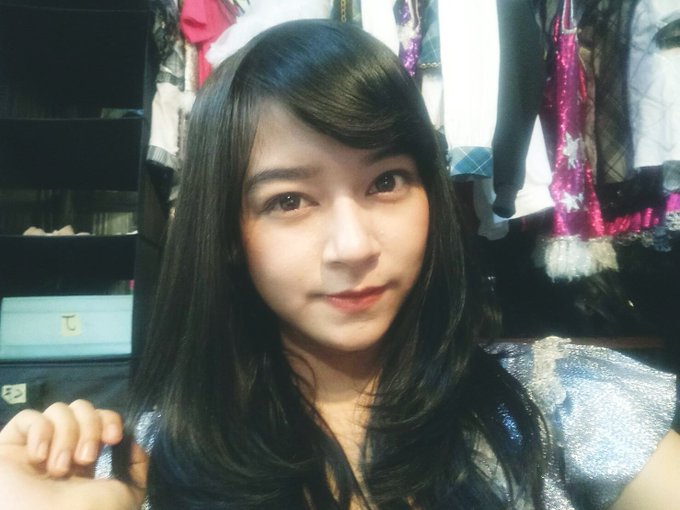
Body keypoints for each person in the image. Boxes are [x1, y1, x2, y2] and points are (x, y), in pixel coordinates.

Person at [0, 19, 679, 510]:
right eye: (289, 200)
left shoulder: (556, 406)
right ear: (228, 233)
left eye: (386, 182)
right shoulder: (144, 461)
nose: (353, 246)